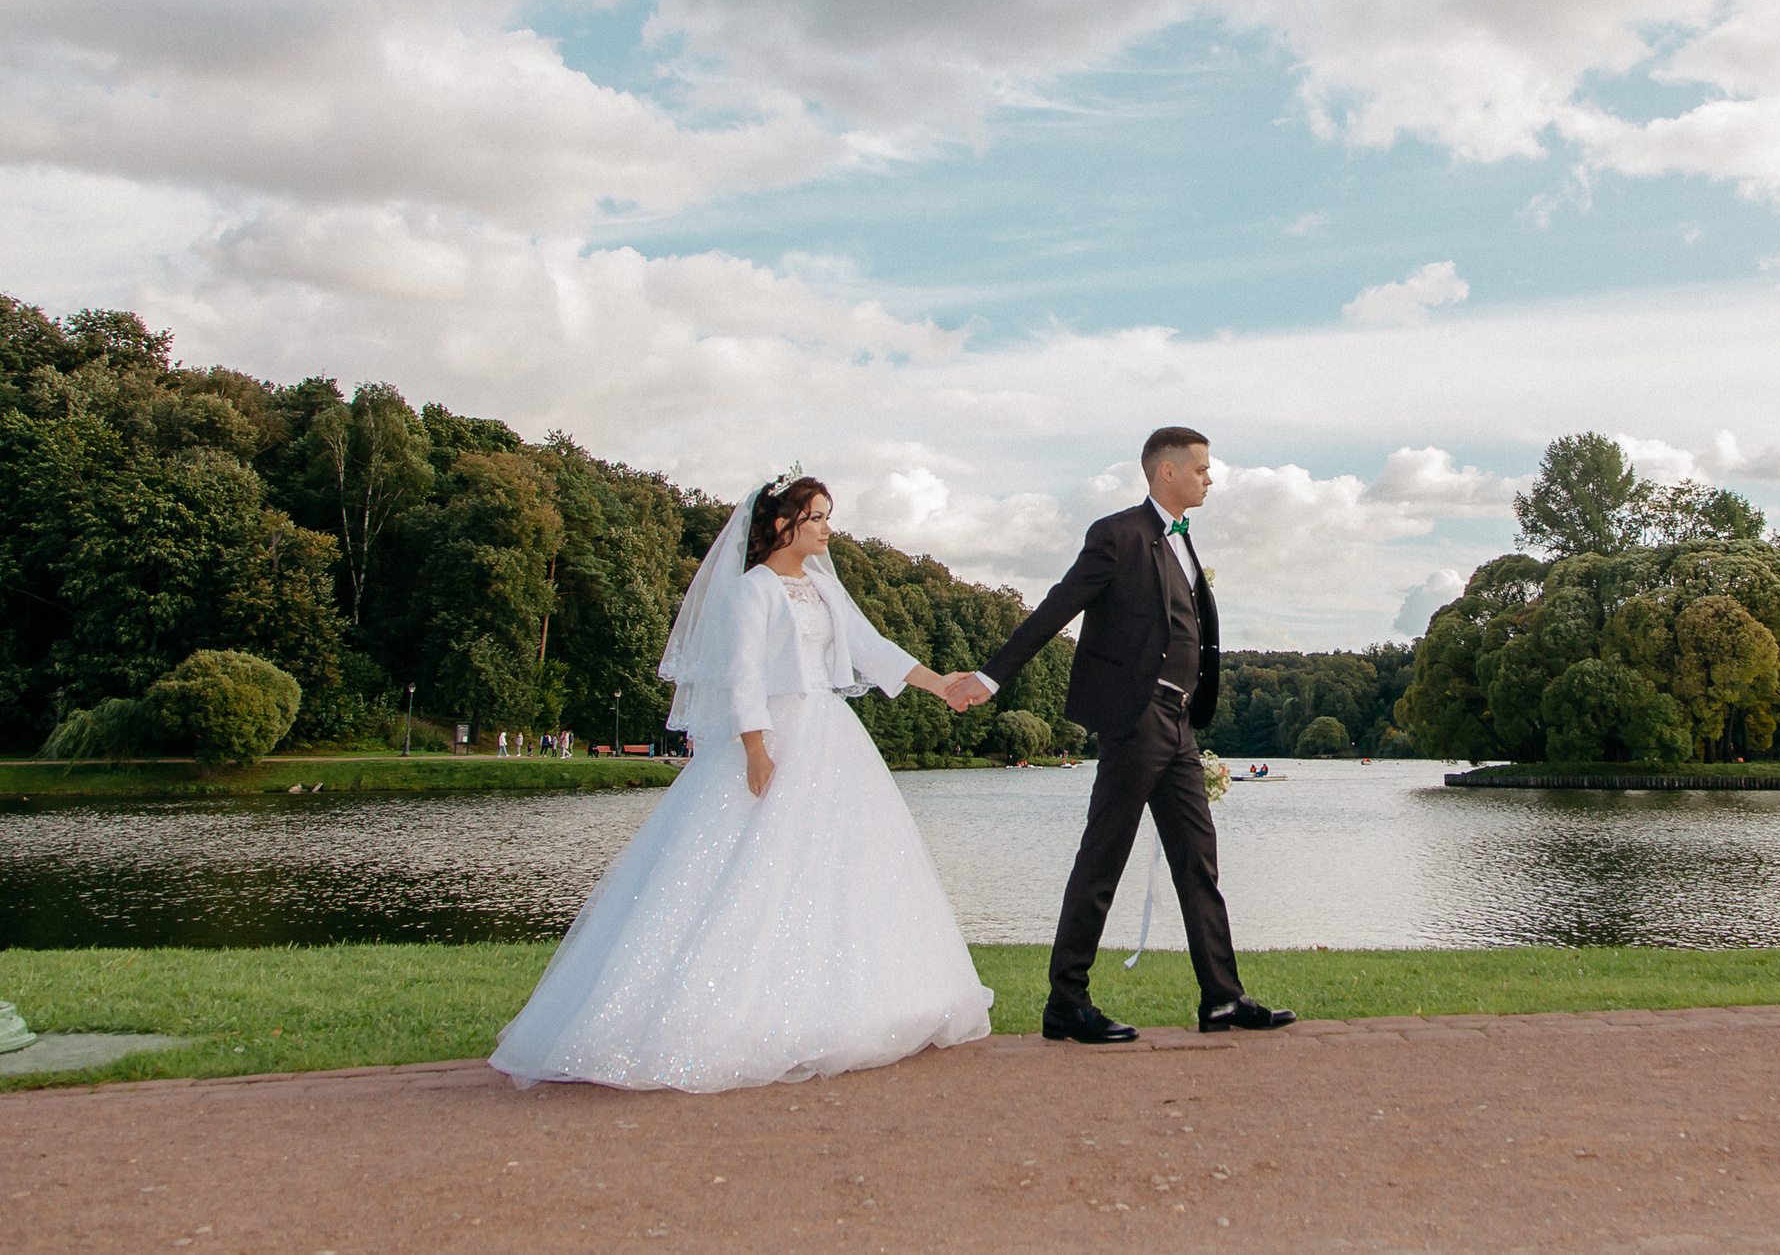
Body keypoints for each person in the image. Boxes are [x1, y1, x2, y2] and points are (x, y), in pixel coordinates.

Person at [490, 474, 993, 1092]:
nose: (827, 530)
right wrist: (755, 748)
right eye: (816, 518)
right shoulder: (749, 593)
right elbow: (742, 675)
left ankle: (843, 1008)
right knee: (752, 866)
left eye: (826, 517)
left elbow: (872, 647)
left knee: (836, 869)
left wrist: (942, 683)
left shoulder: (825, 590)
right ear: (783, 525)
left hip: (830, 735)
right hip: (776, 735)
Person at [970, 426, 1295, 1044]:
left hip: (1179, 724)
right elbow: (1059, 605)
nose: (1210, 478)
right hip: (1136, 716)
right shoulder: (1116, 534)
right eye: (1201, 469)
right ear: (1165, 471)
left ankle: (1222, 999)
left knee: (1198, 861)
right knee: (1104, 859)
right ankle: (1066, 1002)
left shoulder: (1183, 541)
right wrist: (992, 676)